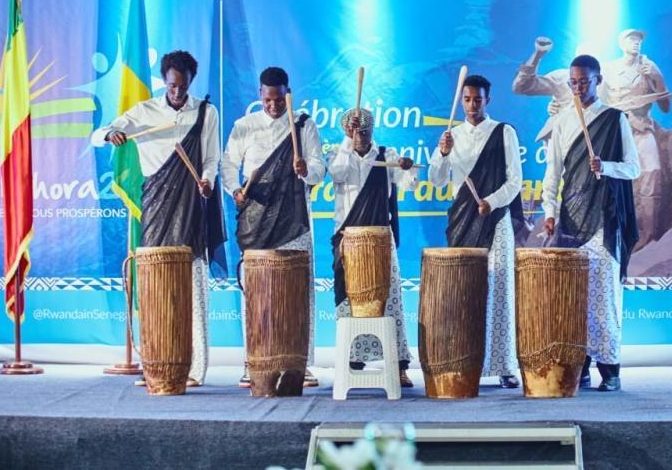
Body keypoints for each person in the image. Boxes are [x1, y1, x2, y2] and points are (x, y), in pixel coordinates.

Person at [91, 50, 226, 387]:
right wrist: (110, 134)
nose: (177, 92)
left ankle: (195, 369)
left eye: (182, 86)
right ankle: (157, 363)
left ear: (191, 81)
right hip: (156, 206)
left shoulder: (206, 112)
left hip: (192, 204)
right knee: (156, 289)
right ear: (164, 81)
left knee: (194, 289)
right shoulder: (146, 111)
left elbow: (212, 158)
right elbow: (99, 134)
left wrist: (207, 180)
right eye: (171, 86)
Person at [221, 67, 326, 389]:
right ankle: (253, 361)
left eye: (279, 100)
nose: (273, 106)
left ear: (287, 95)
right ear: (260, 95)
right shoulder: (245, 126)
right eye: (268, 100)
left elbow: (320, 169)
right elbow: (228, 164)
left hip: (294, 218)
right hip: (257, 218)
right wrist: (235, 189)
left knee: (298, 292)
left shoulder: (303, 125)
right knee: (256, 293)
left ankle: (300, 364)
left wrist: (305, 170)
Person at [542, 54, 641, 392]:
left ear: (598, 80)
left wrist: (606, 166)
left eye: (584, 81)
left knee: (604, 296)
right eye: (573, 82)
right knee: (574, 297)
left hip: (604, 216)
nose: (578, 88)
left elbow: (634, 167)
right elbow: (553, 171)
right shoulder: (562, 121)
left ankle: (610, 370)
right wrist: (550, 212)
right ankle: (579, 364)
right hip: (572, 217)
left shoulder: (614, 119)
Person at [428, 74, 524, 389]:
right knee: (465, 291)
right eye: (467, 100)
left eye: (477, 100)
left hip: (495, 221)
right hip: (462, 221)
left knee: (499, 289)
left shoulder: (503, 132)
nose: (472, 106)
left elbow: (515, 181)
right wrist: (442, 154)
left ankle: (504, 365)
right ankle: (466, 361)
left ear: (487, 100)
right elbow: (437, 181)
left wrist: (492, 202)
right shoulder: (451, 136)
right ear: (461, 101)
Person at [328, 108, 417, 387]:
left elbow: (410, 185)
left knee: (391, 301)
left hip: (380, 240)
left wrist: (407, 168)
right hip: (348, 239)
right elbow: (337, 174)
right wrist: (346, 142)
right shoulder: (337, 154)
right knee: (348, 301)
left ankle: (399, 365)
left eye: (365, 132)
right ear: (347, 132)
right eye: (355, 132)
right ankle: (353, 359)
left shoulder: (387, 155)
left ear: (372, 131)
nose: (360, 137)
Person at [601, 29, 672, 249]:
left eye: (639, 40)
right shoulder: (609, 69)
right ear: (621, 44)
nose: (636, 43)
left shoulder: (649, 67)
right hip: (617, 132)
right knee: (616, 180)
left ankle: (648, 236)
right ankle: (618, 232)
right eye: (632, 39)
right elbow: (598, 103)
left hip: (642, 129)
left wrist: (658, 79)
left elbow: (666, 107)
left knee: (652, 172)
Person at [511, 36, 574, 143]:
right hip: (559, 140)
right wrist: (538, 55)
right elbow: (522, 87)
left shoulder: (603, 80)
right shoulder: (562, 78)